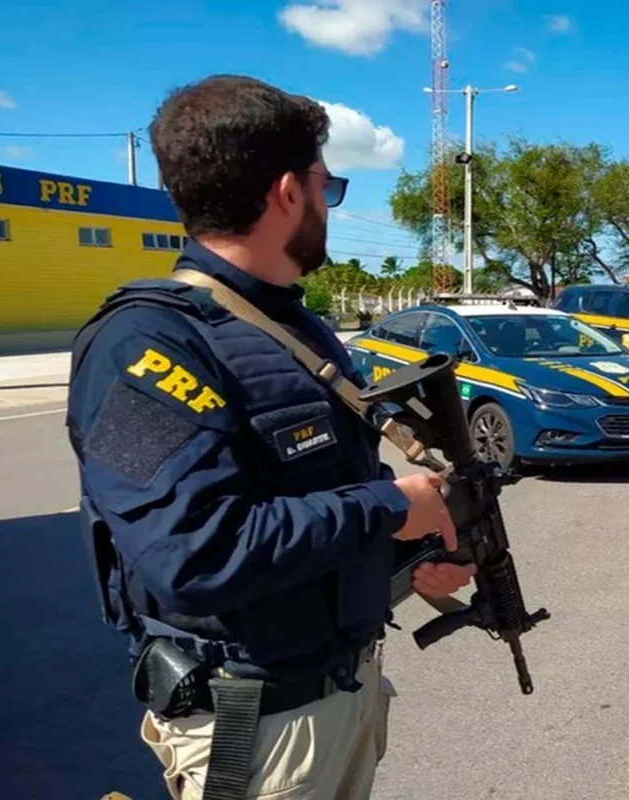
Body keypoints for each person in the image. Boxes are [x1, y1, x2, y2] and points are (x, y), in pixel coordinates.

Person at [65, 74, 475, 800]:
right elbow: (195, 552)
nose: (329, 205)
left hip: (337, 696)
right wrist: (388, 510)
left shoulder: (296, 327)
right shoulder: (146, 345)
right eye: (330, 185)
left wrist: (411, 555)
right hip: (254, 731)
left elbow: (312, 501)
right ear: (290, 192)